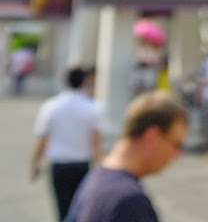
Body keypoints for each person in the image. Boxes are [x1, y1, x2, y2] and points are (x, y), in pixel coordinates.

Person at [65, 91, 189, 222]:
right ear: (152, 137)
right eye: (177, 144)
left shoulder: (98, 176)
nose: (178, 154)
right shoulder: (129, 202)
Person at [30, 66, 103, 221]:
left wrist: (36, 162)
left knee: (62, 209)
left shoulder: (51, 106)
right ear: (85, 81)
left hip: (59, 166)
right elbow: (96, 142)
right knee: (81, 209)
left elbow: (43, 138)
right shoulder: (92, 107)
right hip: (82, 165)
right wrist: (99, 167)